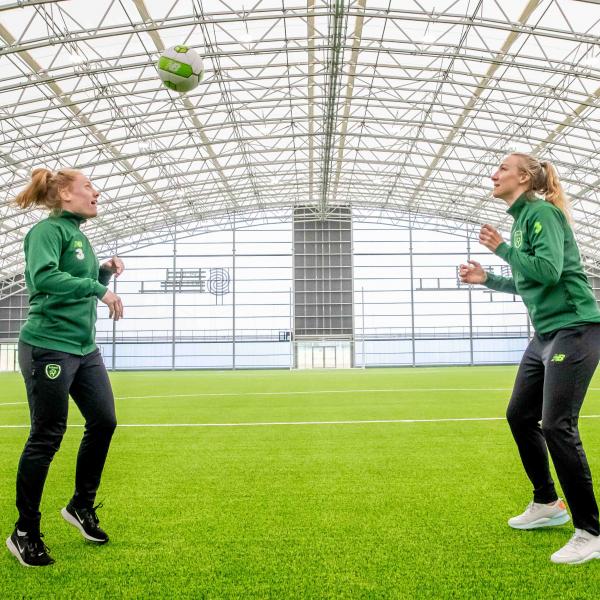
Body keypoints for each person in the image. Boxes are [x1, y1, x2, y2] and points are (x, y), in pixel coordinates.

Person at [459, 152, 600, 564]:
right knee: (520, 415)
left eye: (501, 168)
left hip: (575, 328)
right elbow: (530, 281)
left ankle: (591, 530)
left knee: (557, 425)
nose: (493, 174)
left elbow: (550, 271)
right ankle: (547, 505)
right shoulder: (522, 222)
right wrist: (489, 279)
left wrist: (501, 249)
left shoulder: (542, 214)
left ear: (523, 177)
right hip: (545, 336)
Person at [5, 168, 124, 567]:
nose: (96, 192)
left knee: (104, 421)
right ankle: (24, 532)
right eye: (88, 187)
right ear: (64, 196)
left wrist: (102, 271)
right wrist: (98, 288)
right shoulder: (47, 232)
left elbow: (80, 277)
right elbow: (44, 278)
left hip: (83, 348)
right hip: (48, 347)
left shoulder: (78, 235)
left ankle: (80, 506)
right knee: (47, 436)